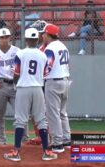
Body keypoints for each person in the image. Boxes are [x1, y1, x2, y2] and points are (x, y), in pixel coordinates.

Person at [3, 28, 57, 161]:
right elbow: (45, 73)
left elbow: (16, 73)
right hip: (38, 88)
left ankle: (16, 152)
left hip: (23, 88)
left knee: (20, 120)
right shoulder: (43, 54)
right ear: (37, 39)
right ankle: (46, 151)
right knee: (41, 120)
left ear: (26, 39)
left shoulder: (20, 53)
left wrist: (16, 84)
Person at [42, 24, 72, 153]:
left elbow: (47, 67)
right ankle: (67, 140)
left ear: (48, 35)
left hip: (54, 82)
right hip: (65, 80)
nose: (42, 36)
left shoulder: (50, 48)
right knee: (62, 113)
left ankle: (57, 143)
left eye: (44, 33)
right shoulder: (63, 46)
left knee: (53, 114)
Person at [0, 28, 20, 144]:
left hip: (14, 84)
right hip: (0, 85)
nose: (4, 39)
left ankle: (23, 140)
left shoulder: (17, 51)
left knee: (20, 115)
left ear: (10, 38)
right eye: (1, 37)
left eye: (6, 37)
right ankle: (1, 141)